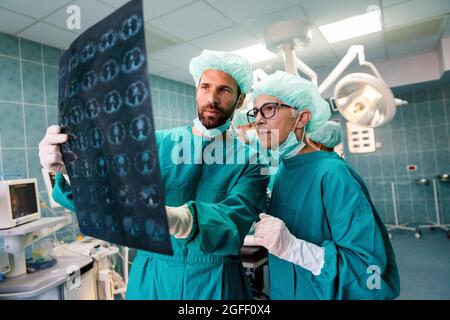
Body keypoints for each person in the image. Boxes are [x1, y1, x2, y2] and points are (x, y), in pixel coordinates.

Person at [38, 50, 269, 300]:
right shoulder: (153, 144)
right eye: (205, 87)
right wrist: (71, 171)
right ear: (196, 90)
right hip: (152, 277)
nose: (212, 98)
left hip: (216, 281)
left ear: (240, 99)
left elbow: (236, 219)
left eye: (224, 90)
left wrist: (181, 219)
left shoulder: (251, 160)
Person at [245, 71, 400, 299]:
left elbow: (370, 272)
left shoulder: (334, 175)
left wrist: (295, 249)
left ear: (302, 118)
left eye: (269, 108)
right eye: (256, 112)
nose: (258, 119)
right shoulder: (285, 171)